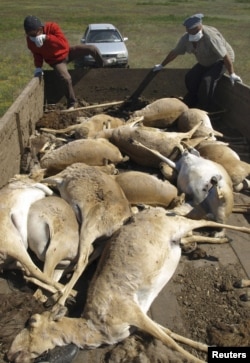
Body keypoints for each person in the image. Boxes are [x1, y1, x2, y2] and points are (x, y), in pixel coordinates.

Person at [23, 15, 116, 110]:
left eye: (37, 32)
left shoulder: (52, 27)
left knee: (92, 49)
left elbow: (63, 43)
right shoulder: (30, 41)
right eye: (31, 34)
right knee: (66, 78)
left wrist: (47, 38)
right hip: (57, 61)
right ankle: (72, 103)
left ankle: (102, 65)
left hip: (67, 52)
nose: (35, 36)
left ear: (41, 27)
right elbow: (37, 54)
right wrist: (38, 67)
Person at [153, 13, 242, 111]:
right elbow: (175, 52)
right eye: (189, 31)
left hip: (220, 60)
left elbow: (225, 56)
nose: (192, 33)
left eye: (194, 31)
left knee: (207, 81)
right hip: (205, 61)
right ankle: (193, 99)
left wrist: (232, 73)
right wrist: (161, 65)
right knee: (190, 77)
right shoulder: (186, 38)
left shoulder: (210, 37)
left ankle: (206, 108)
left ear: (199, 27)